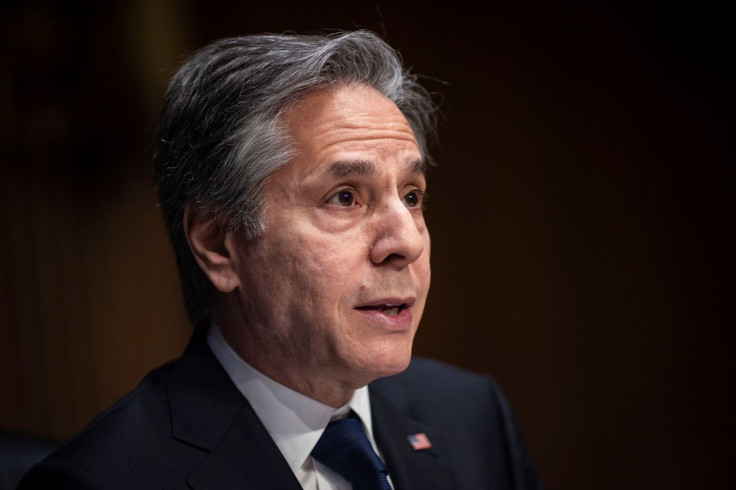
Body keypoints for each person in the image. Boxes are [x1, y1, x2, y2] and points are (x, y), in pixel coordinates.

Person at [19, 30, 542, 489]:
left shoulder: (471, 415)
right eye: (345, 197)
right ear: (220, 245)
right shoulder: (105, 480)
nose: (406, 241)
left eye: (410, 195)